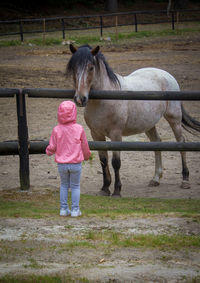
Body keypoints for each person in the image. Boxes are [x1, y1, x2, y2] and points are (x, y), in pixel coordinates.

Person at [46, 101, 91, 217]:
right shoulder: (79, 129)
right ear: (74, 112)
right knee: (75, 186)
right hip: (76, 163)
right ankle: (75, 210)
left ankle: (63, 209)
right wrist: (87, 156)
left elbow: (53, 146)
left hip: (62, 164)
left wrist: (49, 151)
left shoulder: (56, 129)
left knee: (64, 185)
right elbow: (85, 145)